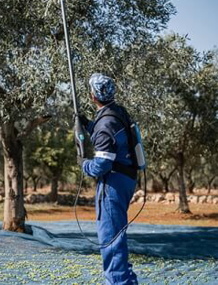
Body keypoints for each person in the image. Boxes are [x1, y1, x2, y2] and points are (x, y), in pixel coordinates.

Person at [78, 73, 138, 285]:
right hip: (126, 179)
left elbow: (101, 165)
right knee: (117, 237)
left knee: (111, 240)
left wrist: (84, 165)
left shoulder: (106, 124)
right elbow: (113, 139)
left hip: (113, 183)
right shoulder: (118, 113)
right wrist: (87, 124)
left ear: (93, 96)